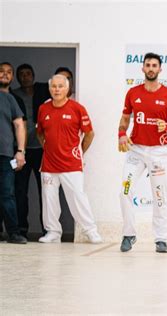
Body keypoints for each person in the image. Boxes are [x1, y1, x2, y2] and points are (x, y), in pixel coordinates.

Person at [117, 52, 167, 253]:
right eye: (148, 65)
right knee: (124, 191)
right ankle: (129, 234)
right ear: (143, 68)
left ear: (160, 69)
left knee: (160, 196)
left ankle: (161, 239)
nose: (151, 68)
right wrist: (121, 134)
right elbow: (125, 118)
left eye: (155, 65)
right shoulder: (133, 93)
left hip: (158, 153)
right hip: (136, 150)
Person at [36, 74, 102, 243]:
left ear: (67, 89)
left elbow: (89, 134)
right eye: (54, 87)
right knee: (49, 200)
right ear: (50, 89)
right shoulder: (43, 109)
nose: (56, 89)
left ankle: (91, 231)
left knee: (78, 198)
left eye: (60, 86)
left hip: (71, 164)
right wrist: (48, 149)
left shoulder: (77, 108)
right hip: (49, 165)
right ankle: (53, 232)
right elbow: (40, 133)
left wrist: (79, 152)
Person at [13, 63, 51, 237]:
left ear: (33, 76)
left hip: (41, 150)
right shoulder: (13, 95)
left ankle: (47, 229)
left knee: (45, 191)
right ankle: (22, 228)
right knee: (20, 191)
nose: (25, 77)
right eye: (21, 74)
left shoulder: (43, 91)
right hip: (20, 151)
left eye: (28, 73)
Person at [0, 62, 27, 240]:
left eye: (9, 72)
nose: (4, 75)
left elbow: (19, 125)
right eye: (1, 71)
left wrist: (20, 151)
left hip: (5, 154)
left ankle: (14, 233)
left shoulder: (10, 99)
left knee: (7, 194)